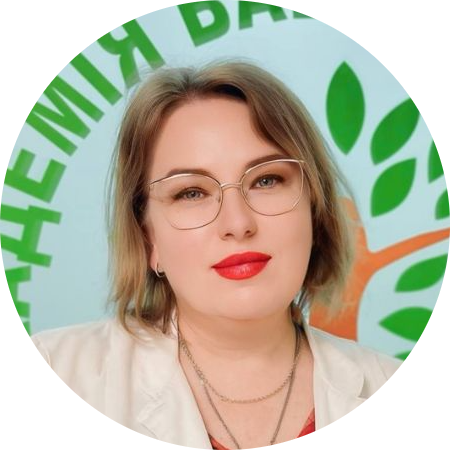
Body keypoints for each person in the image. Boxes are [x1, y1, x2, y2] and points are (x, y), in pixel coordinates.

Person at [30, 59, 402, 449]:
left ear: (315, 209)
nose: (238, 223)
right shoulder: (61, 368)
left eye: (266, 180)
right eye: (191, 192)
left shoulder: (381, 378)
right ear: (148, 238)